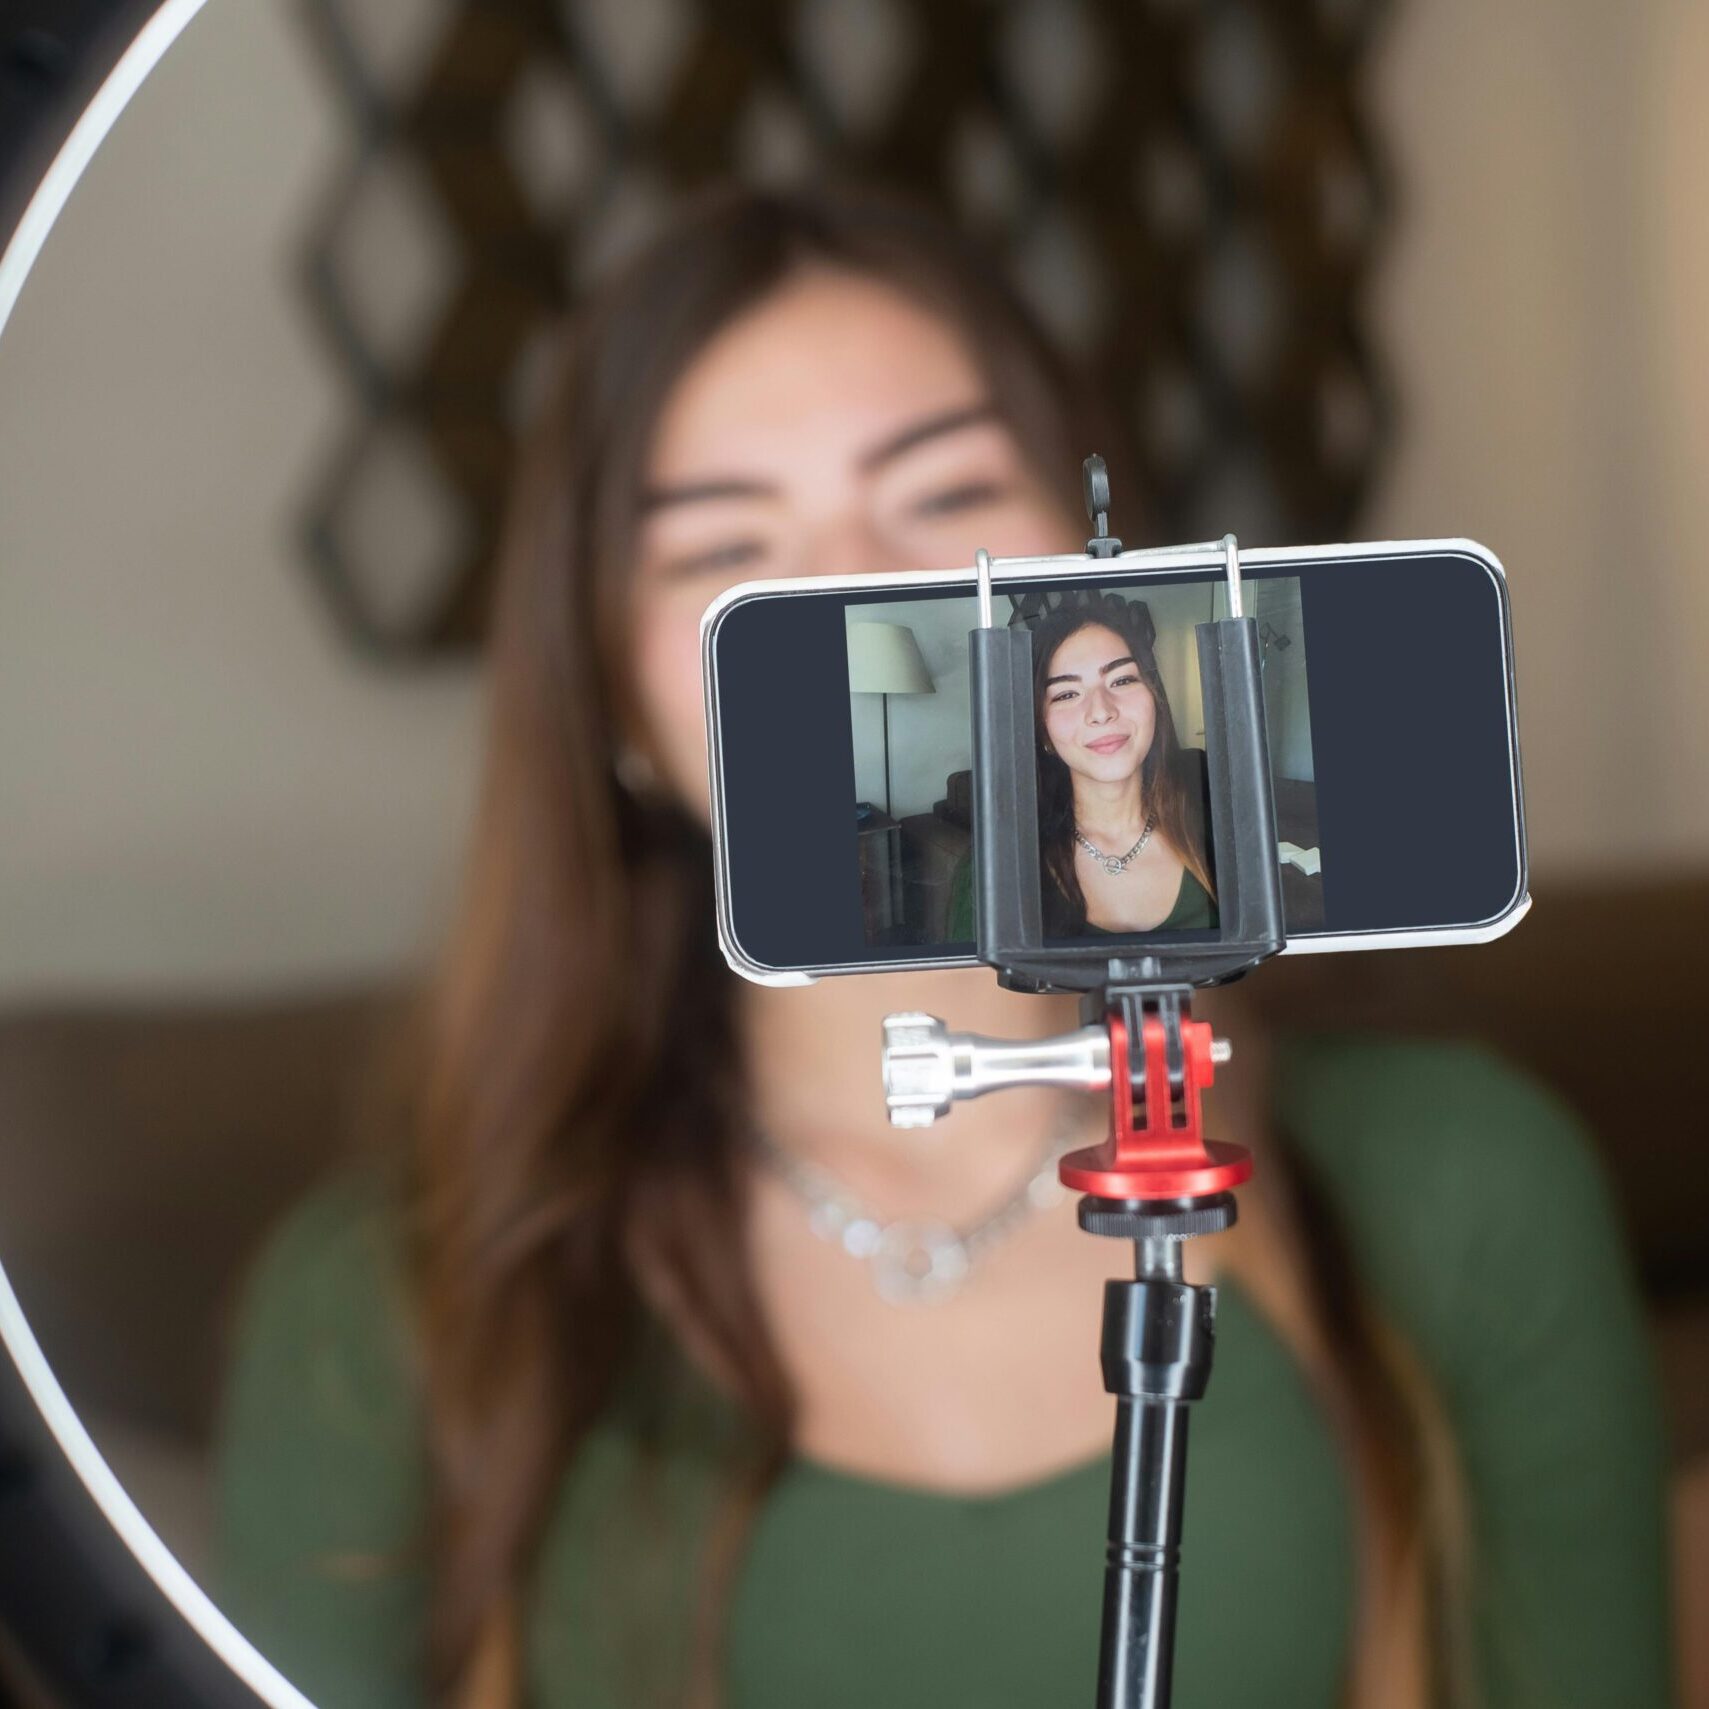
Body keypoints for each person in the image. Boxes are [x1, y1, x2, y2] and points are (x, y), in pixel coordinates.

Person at [213, 184, 1673, 1709]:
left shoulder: (1463, 1187)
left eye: (950, 495)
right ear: (620, 713)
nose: (860, 590)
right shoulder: (389, 1305)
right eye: (723, 546)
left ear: (1112, 584)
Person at [945, 591, 1218, 941]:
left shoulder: (1220, 841)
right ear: (1042, 730)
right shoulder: (994, 872)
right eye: (1066, 694)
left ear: (1154, 699)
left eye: (1121, 680)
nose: (1101, 711)